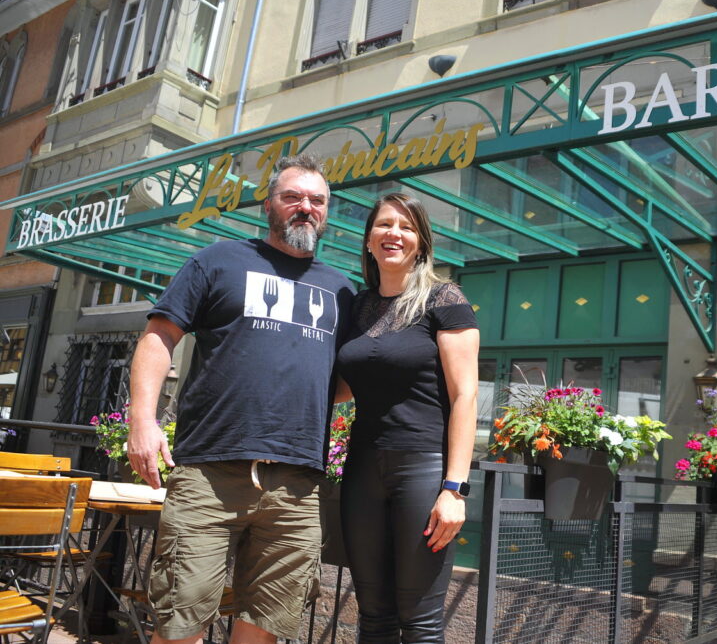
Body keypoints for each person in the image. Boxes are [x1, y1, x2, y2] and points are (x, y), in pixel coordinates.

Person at [127, 154, 356, 644]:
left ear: (327, 212)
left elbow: (343, 379)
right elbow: (158, 338)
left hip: (298, 485)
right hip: (210, 473)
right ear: (268, 204)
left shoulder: (342, 290)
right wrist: (142, 421)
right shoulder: (218, 260)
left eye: (317, 201)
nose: (305, 208)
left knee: (266, 626)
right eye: (292, 197)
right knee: (179, 618)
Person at [336, 192, 479, 643]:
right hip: (361, 469)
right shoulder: (355, 308)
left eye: (406, 226)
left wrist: (454, 488)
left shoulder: (444, 298)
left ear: (421, 241)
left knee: (420, 623)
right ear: (369, 238)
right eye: (383, 225)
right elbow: (344, 386)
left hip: (423, 468)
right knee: (372, 617)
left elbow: (466, 396)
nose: (393, 234)